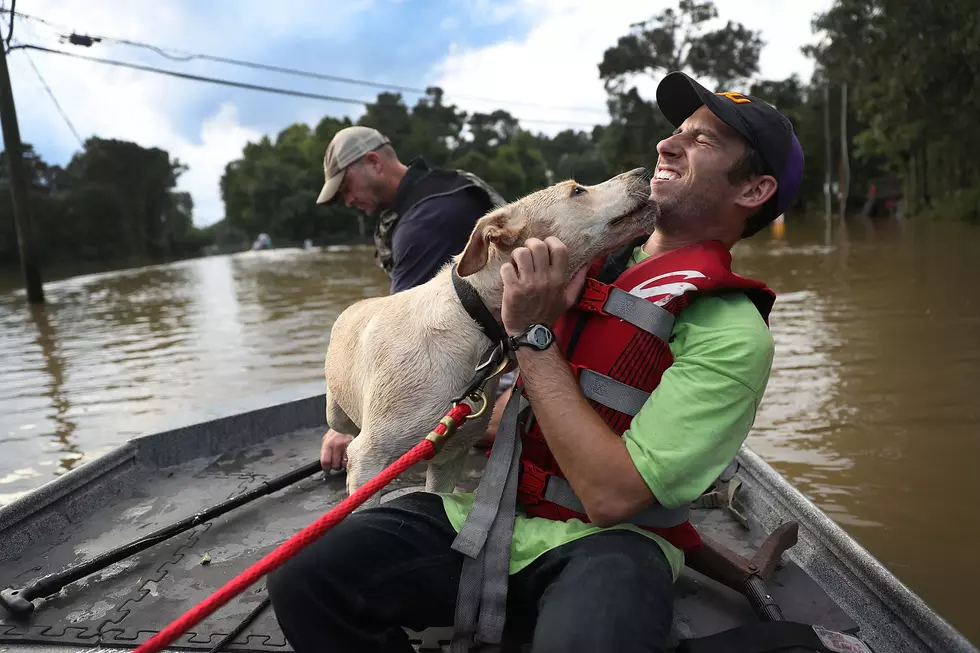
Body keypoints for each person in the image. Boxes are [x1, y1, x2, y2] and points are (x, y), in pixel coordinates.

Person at [269, 71, 803, 652]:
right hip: (491, 512)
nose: (666, 145)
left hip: (609, 543)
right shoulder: (577, 263)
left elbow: (612, 498)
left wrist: (533, 334)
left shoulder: (732, 333)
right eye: (677, 131)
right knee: (301, 581)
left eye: (703, 142)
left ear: (753, 192)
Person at [315, 125, 511, 469]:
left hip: (511, 364)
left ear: (374, 162)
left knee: (425, 430)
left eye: (346, 187)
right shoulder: (447, 186)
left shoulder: (423, 223)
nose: (347, 201)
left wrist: (356, 426)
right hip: (495, 349)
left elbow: (399, 345)